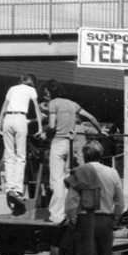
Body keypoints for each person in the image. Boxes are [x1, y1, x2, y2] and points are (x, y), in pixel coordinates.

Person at [64, 140, 125, 255]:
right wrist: (114, 219)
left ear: (84, 155)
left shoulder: (79, 171)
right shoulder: (112, 172)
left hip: (86, 220)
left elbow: (71, 202)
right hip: (106, 221)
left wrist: (72, 221)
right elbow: (120, 202)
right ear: (101, 154)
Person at [39, 80, 103, 224]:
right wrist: (101, 132)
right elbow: (92, 118)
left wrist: (44, 135)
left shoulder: (53, 103)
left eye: (46, 92)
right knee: (67, 179)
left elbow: (52, 126)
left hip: (58, 143)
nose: (45, 96)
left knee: (56, 180)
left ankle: (56, 216)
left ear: (52, 91)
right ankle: (69, 212)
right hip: (70, 143)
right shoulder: (73, 104)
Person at [0, 73, 43, 212]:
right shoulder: (31, 90)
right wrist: (40, 127)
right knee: (21, 156)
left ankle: (9, 188)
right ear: (32, 82)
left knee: (9, 155)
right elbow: (36, 108)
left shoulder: (12, 88)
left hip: (8, 119)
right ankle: (17, 190)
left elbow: (4, 107)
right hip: (20, 118)